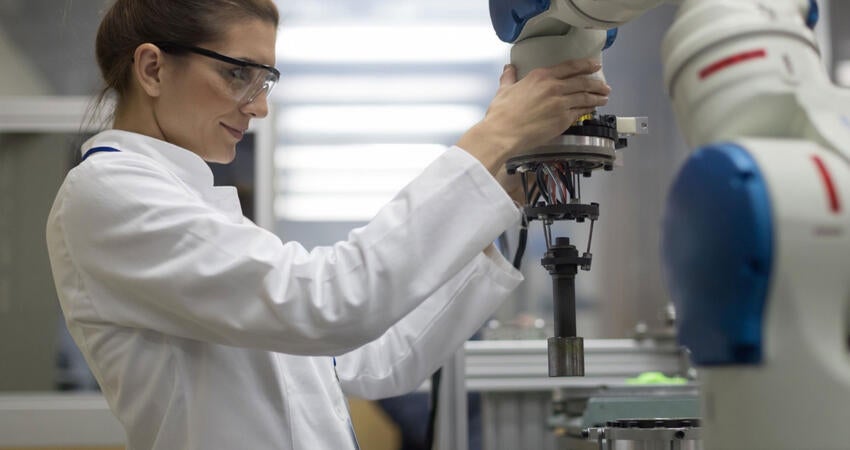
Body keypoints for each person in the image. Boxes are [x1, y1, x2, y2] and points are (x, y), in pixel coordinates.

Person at [44, 0, 611, 449]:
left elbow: (373, 359)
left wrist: (501, 194)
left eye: (264, 80)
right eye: (238, 73)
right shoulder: (109, 194)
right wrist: (492, 138)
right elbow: (328, 303)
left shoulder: (196, 205)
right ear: (152, 68)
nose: (258, 106)